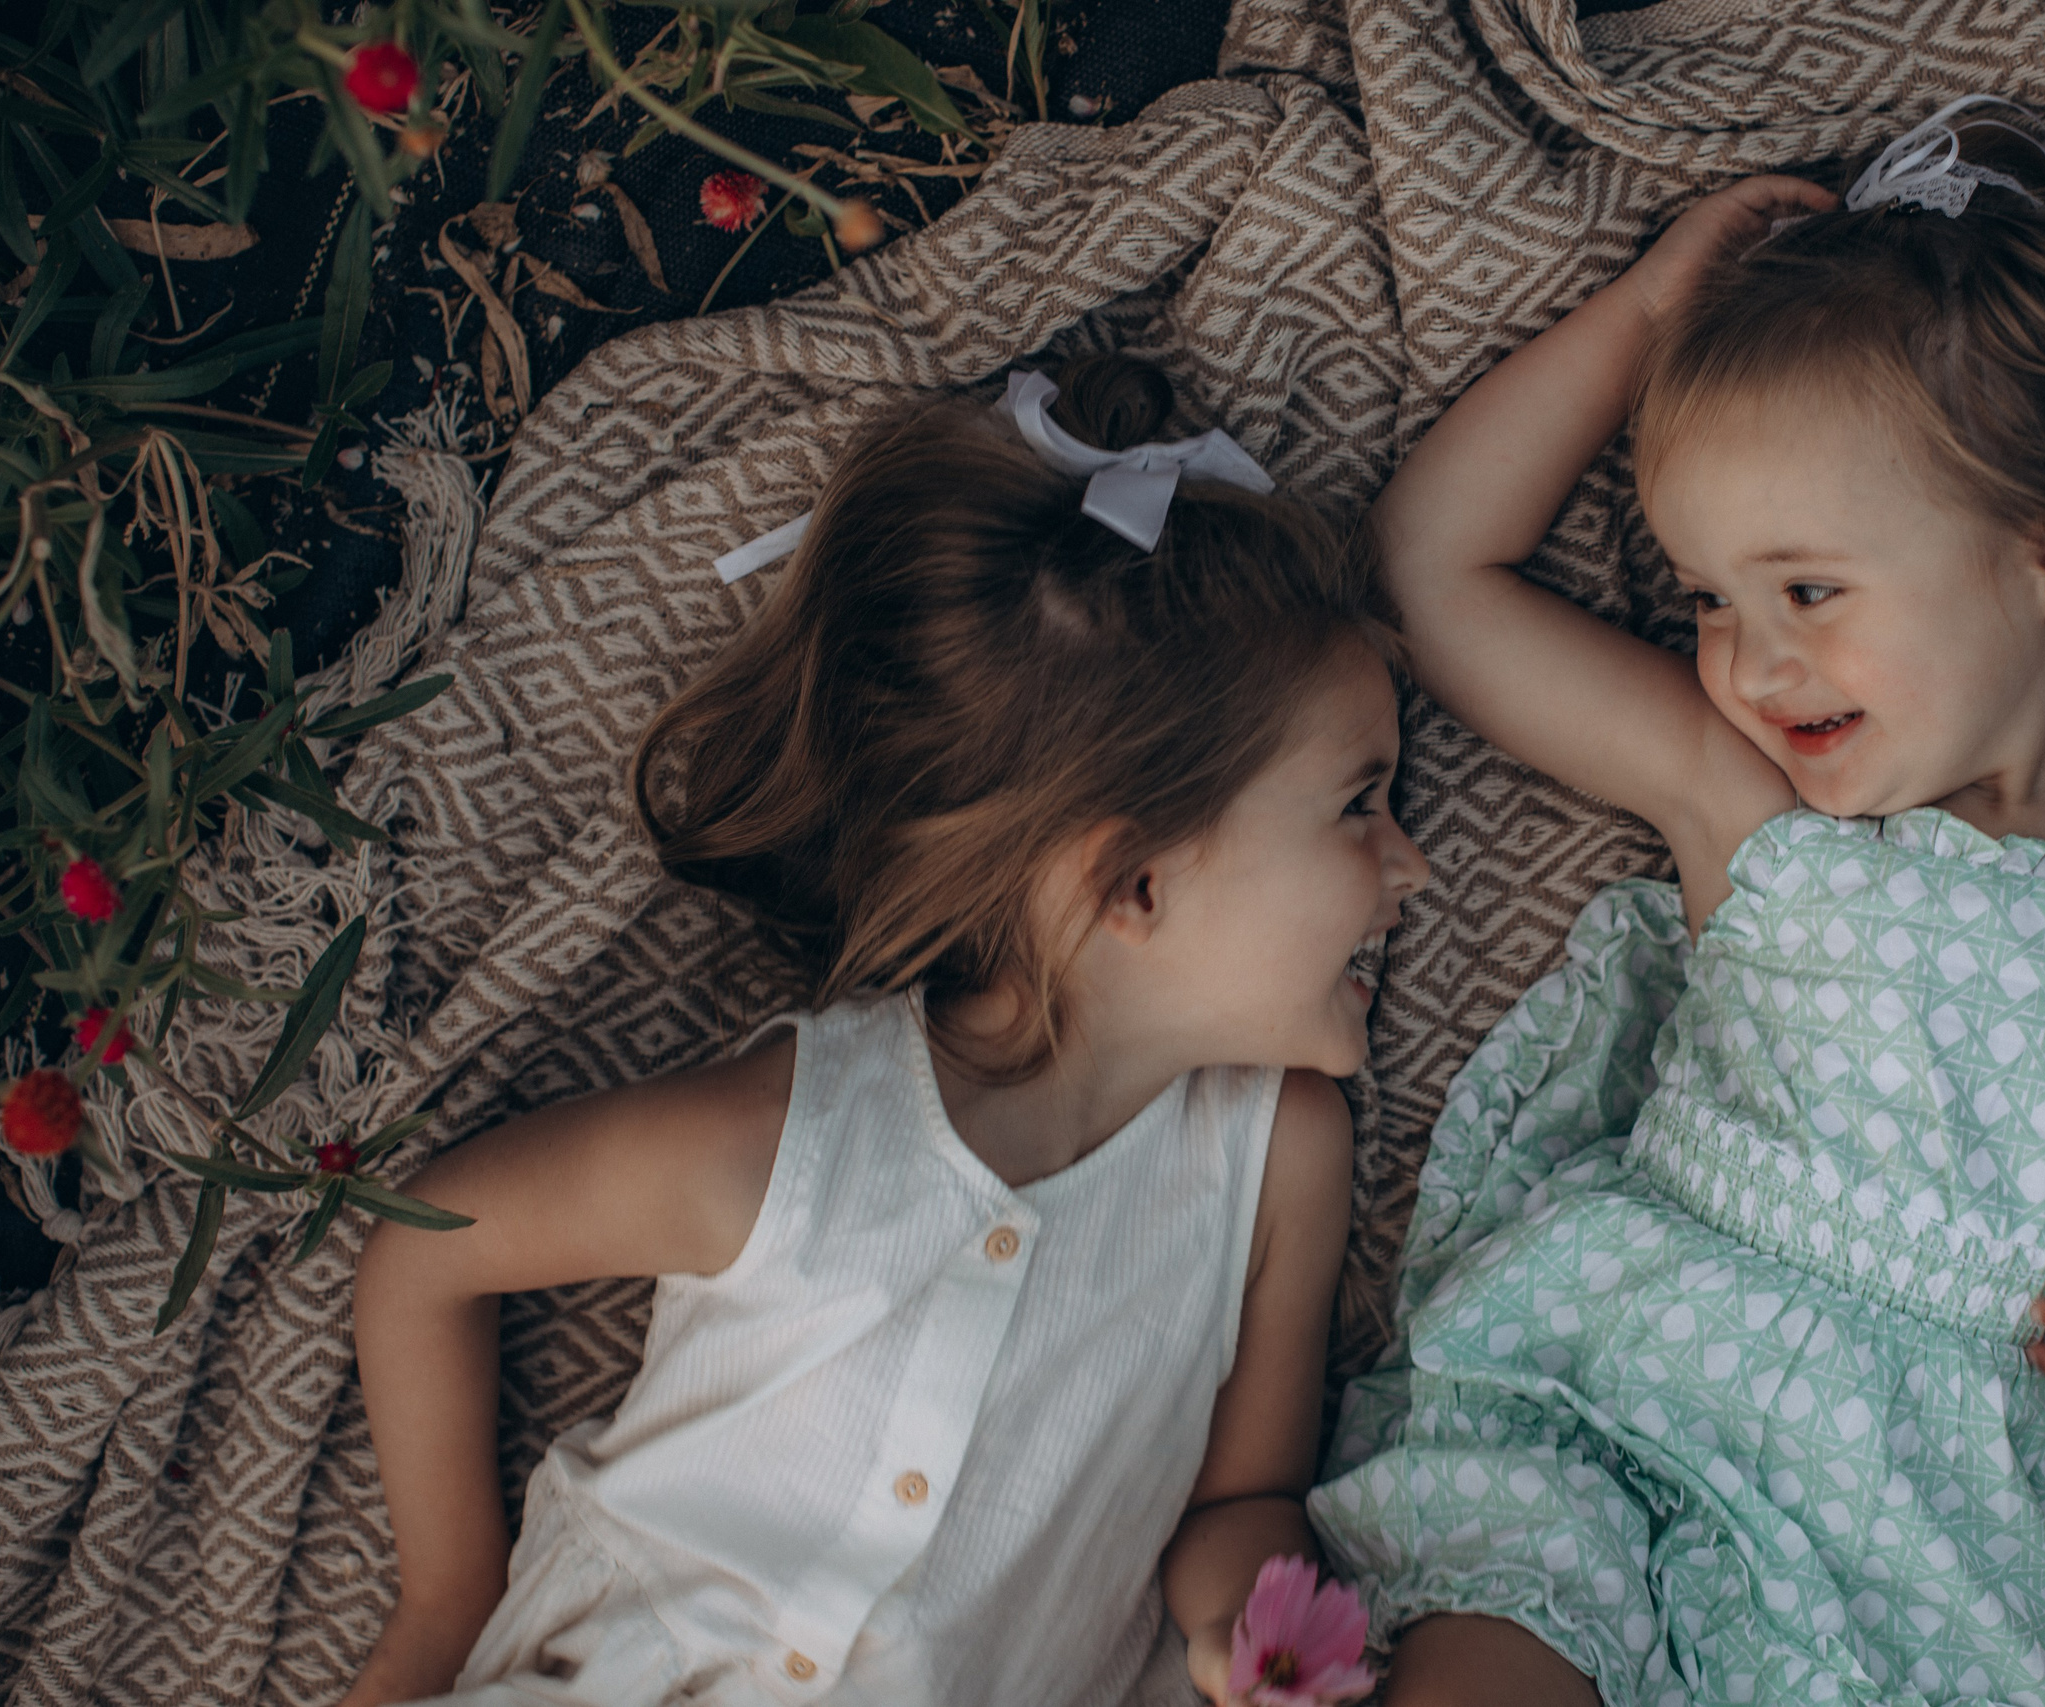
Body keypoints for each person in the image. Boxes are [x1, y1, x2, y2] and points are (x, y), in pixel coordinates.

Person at [1309, 100, 2045, 1706]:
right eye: (1711, 599)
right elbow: (1432, 567)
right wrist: (1647, 311)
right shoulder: (1751, 803)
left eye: (1808, 589)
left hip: (1925, 1532)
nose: (1754, 660)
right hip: (1624, 1402)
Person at [338, 354, 1431, 1707]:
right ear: (1130, 883)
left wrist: (1239, 1640)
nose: (1412, 868)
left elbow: (1247, 1495)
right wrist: (443, 1607)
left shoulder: (1277, 1155)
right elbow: (428, 1249)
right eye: (1359, 807)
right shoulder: (797, 1134)